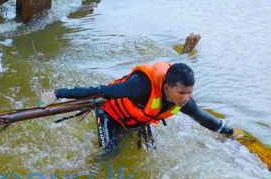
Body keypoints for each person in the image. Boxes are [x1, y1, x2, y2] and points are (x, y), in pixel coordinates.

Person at [39, 62, 238, 152]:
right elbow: (99, 90)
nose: (186, 98)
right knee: (109, 153)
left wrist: (228, 131)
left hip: (137, 122)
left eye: (190, 92)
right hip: (110, 115)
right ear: (167, 87)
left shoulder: (184, 101)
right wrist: (57, 94)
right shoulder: (140, 86)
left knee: (151, 152)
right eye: (182, 93)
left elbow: (203, 118)